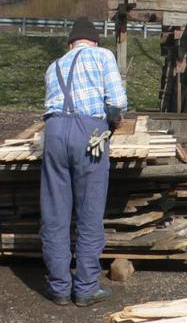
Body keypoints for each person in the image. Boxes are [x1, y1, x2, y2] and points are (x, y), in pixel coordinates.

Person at [40, 17, 127, 306]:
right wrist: (114, 122)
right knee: (89, 212)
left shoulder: (54, 66)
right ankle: (86, 288)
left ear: (70, 44)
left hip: (53, 132)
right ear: (94, 41)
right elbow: (116, 103)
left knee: (55, 213)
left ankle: (59, 288)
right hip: (89, 134)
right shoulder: (103, 56)